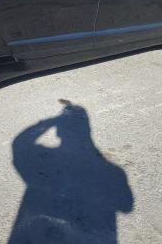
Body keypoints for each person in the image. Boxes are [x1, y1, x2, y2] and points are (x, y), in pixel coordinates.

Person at [8, 101, 133, 244]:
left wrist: (51, 121)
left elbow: (20, 144)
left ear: (58, 132)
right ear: (87, 131)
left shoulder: (44, 161)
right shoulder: (113, 172)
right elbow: (126, 206)